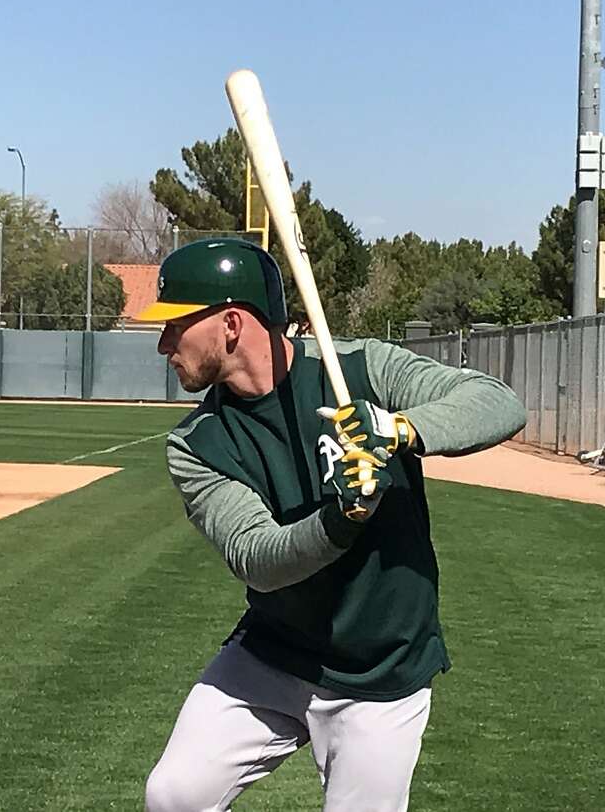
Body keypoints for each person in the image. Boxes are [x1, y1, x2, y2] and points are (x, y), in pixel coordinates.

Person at [136, 238, 527, 812]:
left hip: (381, 667)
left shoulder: (362, 368)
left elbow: (496, 402)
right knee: (173, 795)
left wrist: (396, 430)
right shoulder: (198, 445)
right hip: (274, 654)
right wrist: (341, 519)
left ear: (231, 324)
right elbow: (258, 558)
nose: (163, 343)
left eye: (175, 325)